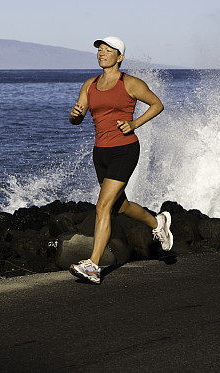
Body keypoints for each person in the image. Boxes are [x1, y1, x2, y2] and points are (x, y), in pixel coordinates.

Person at [68, 36, 173, 284]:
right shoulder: (89, 85)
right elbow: (78, 116)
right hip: (100, 152)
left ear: (120, 57)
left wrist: (134, 123)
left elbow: (157, 104)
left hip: (124, 150)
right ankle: (157, 222)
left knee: (102, 206)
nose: (102, 53)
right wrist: (74, 116)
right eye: (100, 50)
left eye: (108, 50)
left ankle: (93, 265)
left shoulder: (131, 83)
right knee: (119, 206)